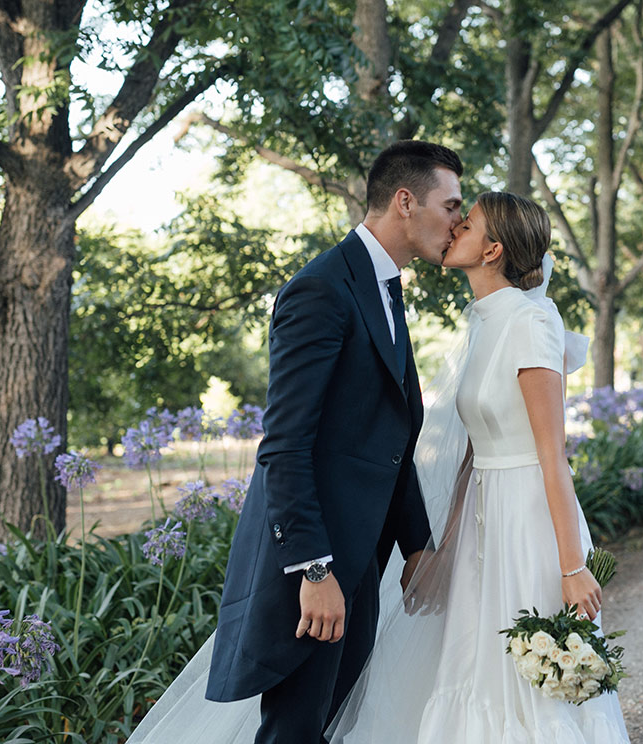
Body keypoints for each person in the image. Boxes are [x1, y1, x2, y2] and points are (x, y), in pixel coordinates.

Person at [130, 140, 464, 744]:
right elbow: (283, 445)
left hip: (360, 560)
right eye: (452, 205)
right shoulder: (322, 290)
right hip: (314, 566)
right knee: (294, 732)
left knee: (329, 728)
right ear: (406, 201)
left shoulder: (385, 290)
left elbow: (384, 440)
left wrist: (415, 544)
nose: (459, 222)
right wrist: (313, 570)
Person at [326, 192, 629, 742]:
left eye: (467, 224)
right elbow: (472, 455)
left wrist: (570, 566)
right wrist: (444, 551)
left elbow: (551, 454)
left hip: (530, 526)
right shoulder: (483, 323)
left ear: (492, 250)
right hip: (480, 524)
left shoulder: (533, 324)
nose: (453, 229)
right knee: (471, 669)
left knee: (530, 686)